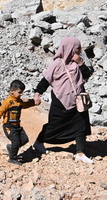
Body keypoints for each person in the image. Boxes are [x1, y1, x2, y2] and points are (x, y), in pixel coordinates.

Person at [31, 36, 94, 164]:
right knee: (54, 125)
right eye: (77, 49)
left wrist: (80, 63)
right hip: (61, 101)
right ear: (69, 48)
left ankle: (80, 152)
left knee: (80, 125)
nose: (79, 52)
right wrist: (37, 93)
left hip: (77, 101)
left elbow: (86, 75)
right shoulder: (57, 64)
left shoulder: (77, 63)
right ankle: (39, 142)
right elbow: (45, 80)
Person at [0, 80, 40, 165]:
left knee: (24, 140)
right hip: (9, 126)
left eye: (22, 93)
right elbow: (0, 112)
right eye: (19, 92)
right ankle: (12, 158)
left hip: (17, 126)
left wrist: (33, 103)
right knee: (16, 142)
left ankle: (12, 148)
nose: (21, 94)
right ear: (12, 91)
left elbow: (25, 105)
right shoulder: (7, 102)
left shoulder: (19, 101)